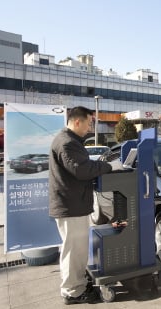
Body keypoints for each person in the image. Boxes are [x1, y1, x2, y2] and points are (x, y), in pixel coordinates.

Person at [49, 106, 124, 305]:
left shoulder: (70, 141)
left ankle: (77, 283)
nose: (90, 128)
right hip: (70, 205)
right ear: (77, 122)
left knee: (76, 249)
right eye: (89, 123)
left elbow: (83, 166)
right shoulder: (67, 143)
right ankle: (73, 292)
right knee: (73, 251)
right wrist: (110, 166)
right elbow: (82, 170)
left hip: (73, 204)